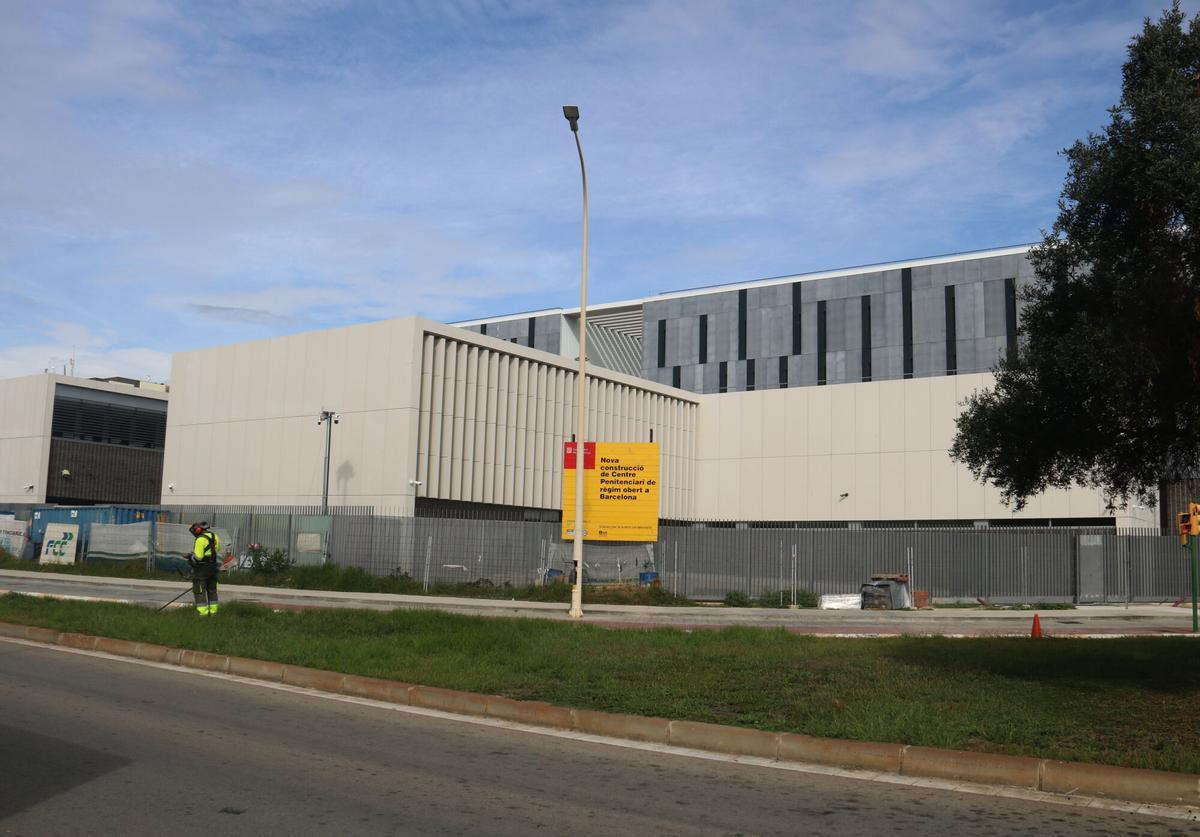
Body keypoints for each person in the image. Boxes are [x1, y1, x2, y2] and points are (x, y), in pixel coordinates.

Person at [187, 522, 221, 616]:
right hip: (213, 567)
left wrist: (191, 556)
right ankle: (213, 612)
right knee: (212, 590)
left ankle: (203, 613)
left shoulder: (200, 540)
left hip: (202, 568)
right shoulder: (215, 536)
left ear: (198, 530)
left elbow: (198, 557)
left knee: (199, 590)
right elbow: (216, 550)